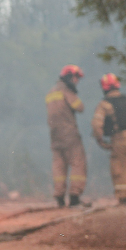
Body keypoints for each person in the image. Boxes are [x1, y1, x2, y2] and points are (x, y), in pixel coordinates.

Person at [91, 73, 126, 205]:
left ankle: (123, 200)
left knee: (120, 169)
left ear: (104, 87)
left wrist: (101, 141)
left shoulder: (104, 104)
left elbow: (96, 125)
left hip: (120, 140)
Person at [46, 65, 87, 207]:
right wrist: (74, 94)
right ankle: (75, 197)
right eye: (76, 78)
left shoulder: (50, 92)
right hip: (69, 135)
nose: (77, 82)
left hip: (55, 136)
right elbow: (80, 107)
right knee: (77, 163)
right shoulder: (66, 91)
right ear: (70, 77)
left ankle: (59, 197)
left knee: (59, 166)